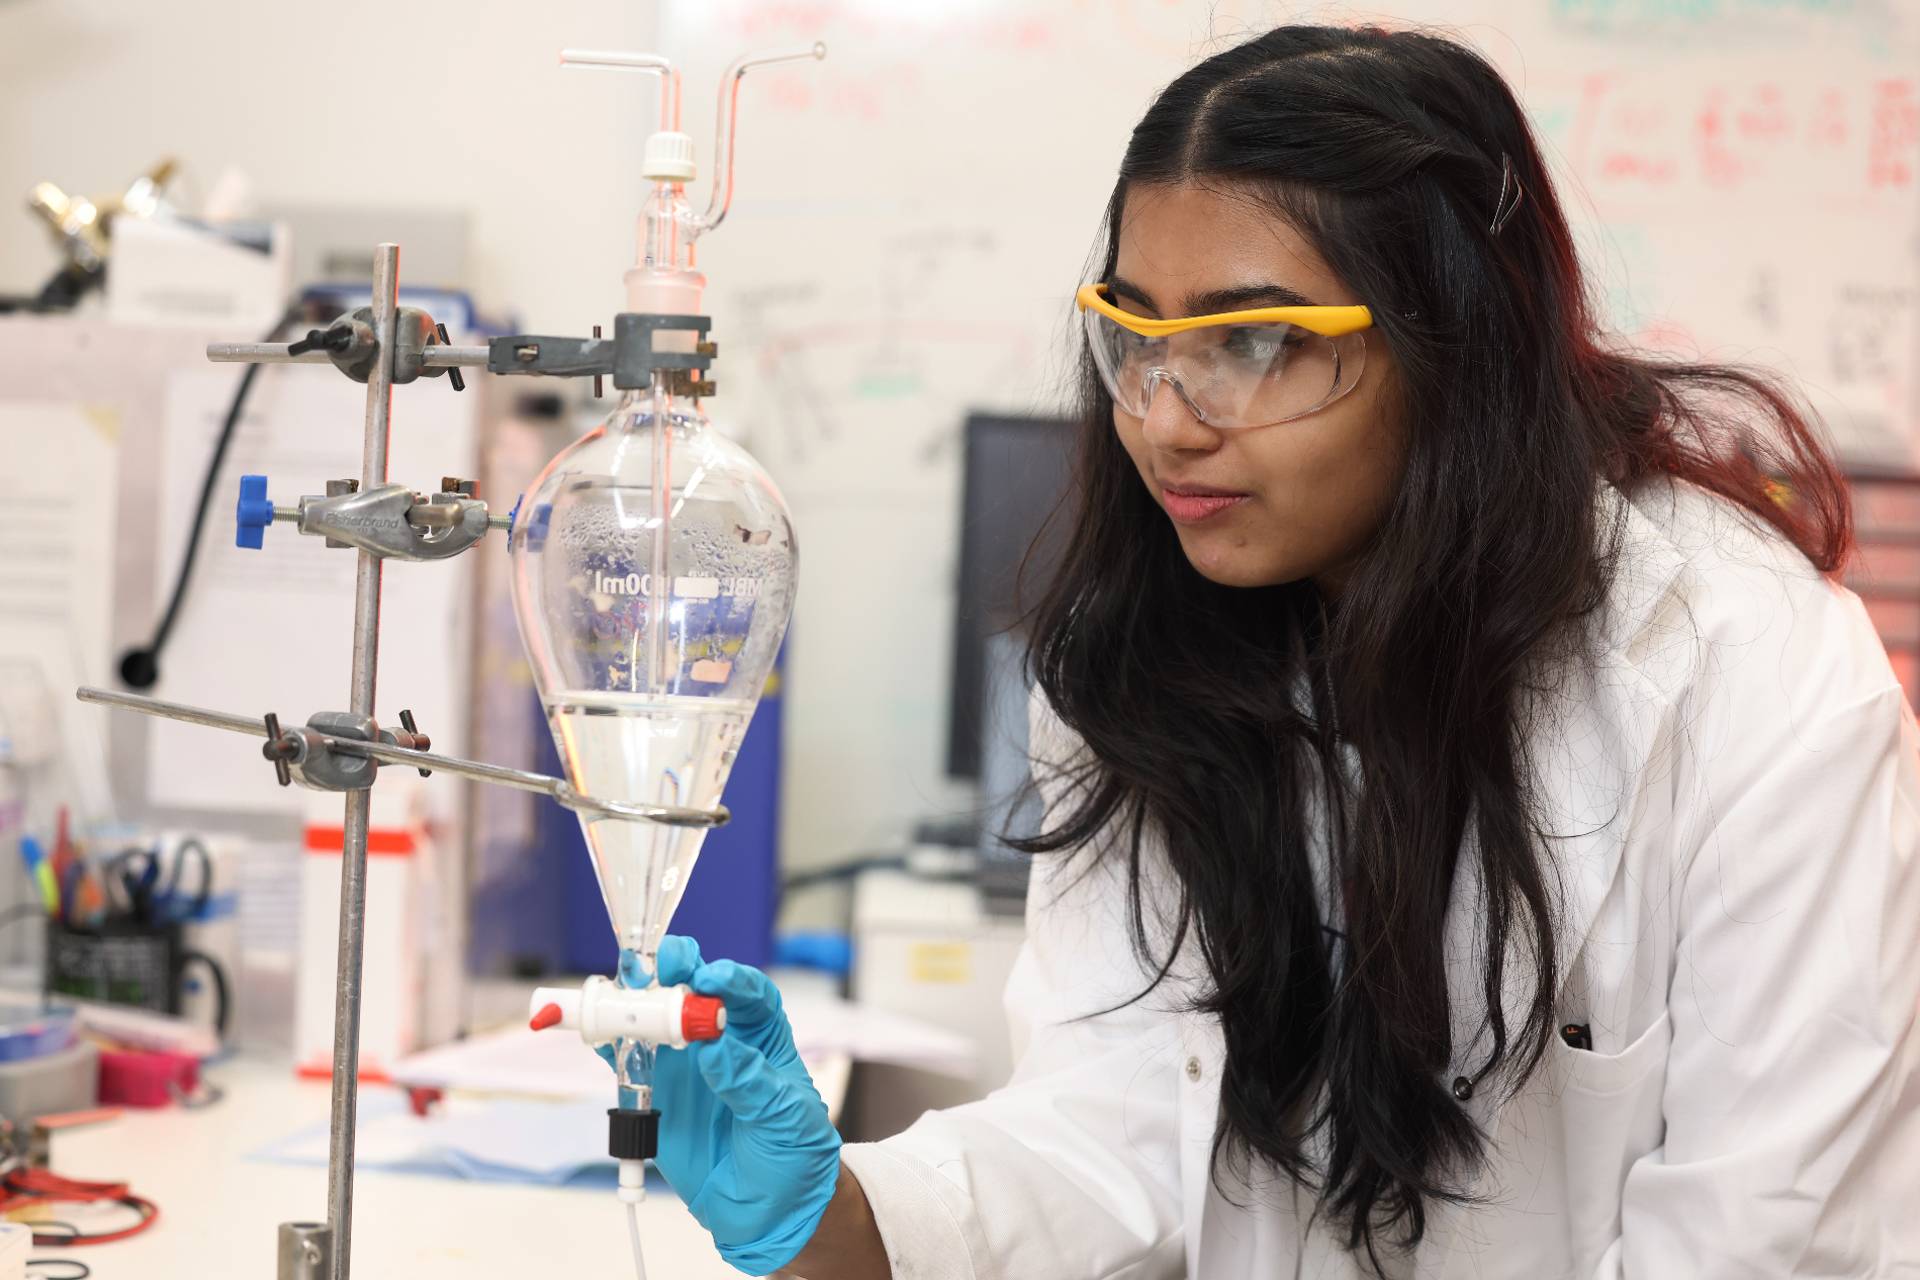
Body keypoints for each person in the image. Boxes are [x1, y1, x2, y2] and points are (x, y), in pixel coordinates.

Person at [629, 23, 1920, 1279]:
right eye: (1136, 337)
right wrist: (840, 1217)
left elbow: (1773, 1234)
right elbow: (1129, 1127)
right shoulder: (1140, 658)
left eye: (1253, 341)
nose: (1167, 420)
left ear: (1458, 339)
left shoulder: (1748, 669)